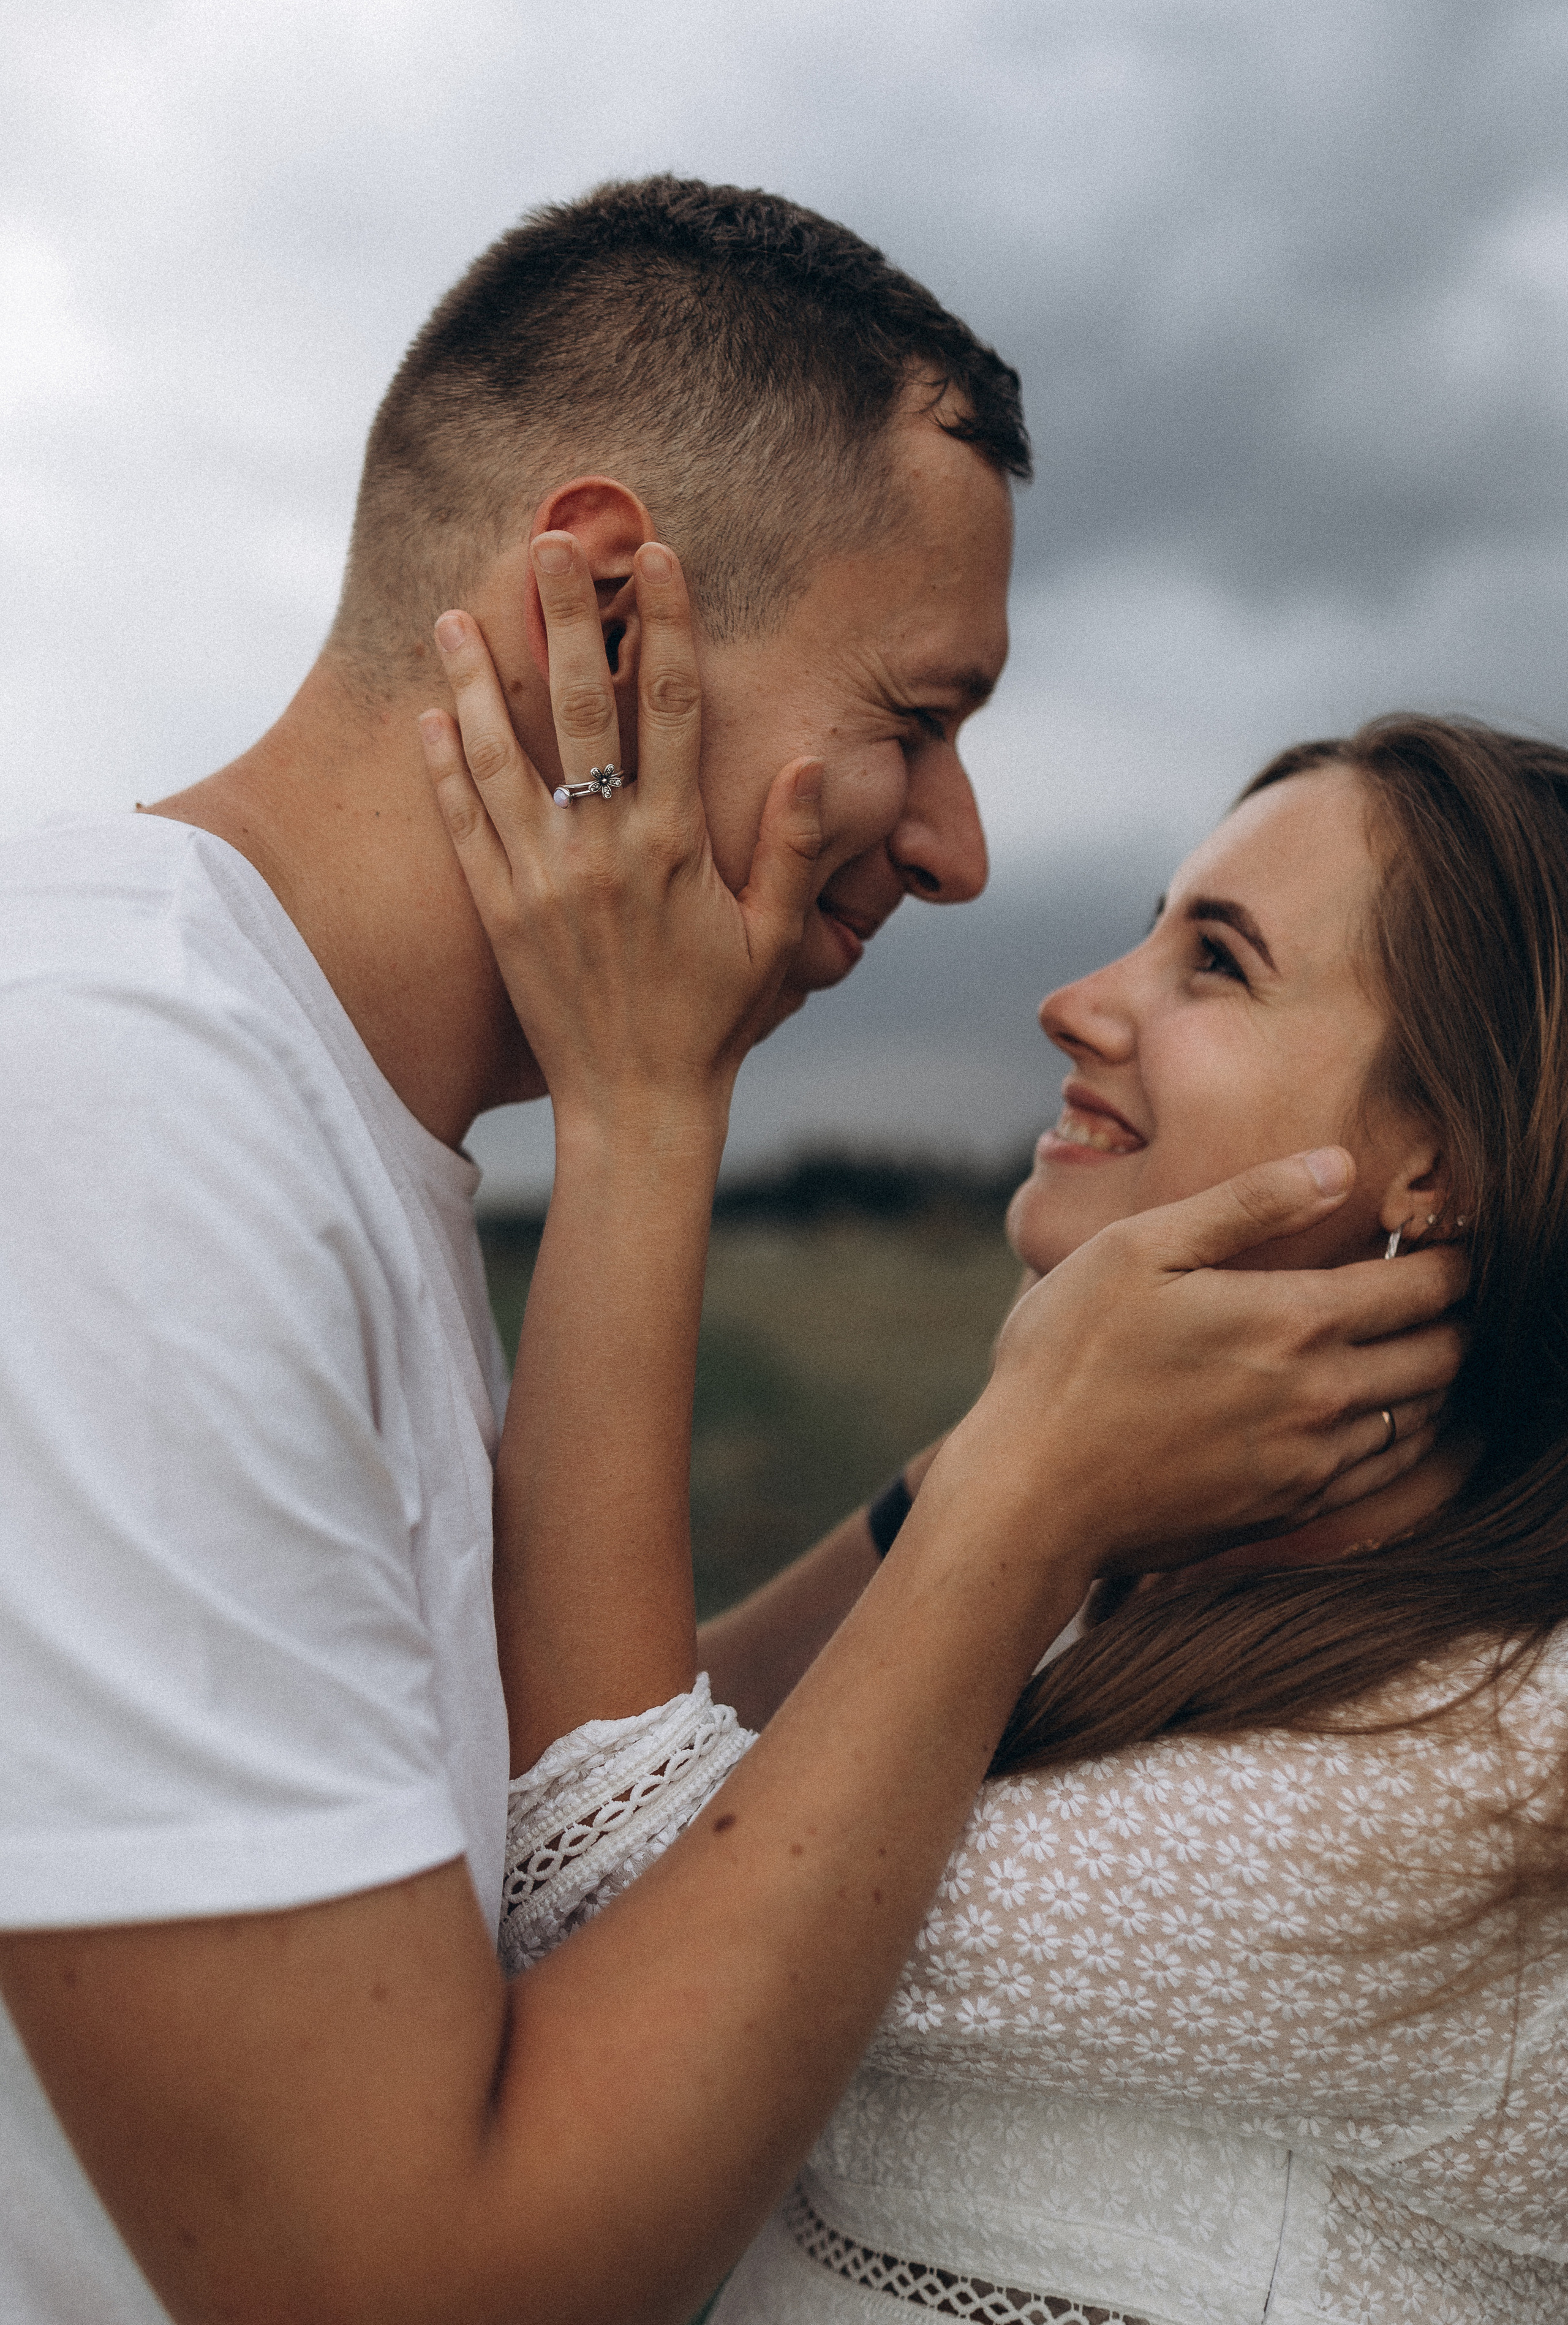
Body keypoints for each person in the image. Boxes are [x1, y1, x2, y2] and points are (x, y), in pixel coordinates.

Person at [0, 178, 1463, 2325]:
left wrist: (1018, 1471)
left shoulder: (281, 1119)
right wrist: (1017, 1504)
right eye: (917, 716)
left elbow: (563, 1790)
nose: (962, 853)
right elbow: (414, 2292)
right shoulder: (126, 1116)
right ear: (603, 612)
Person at [470, 703, 1567, 2324]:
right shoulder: (1126, 1576)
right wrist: (1014, 1463)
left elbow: (607, 1903)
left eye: (1220, 963)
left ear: (1442, 1164)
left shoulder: (1498, 1755)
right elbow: (693, 1717)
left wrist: (642, 1101)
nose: (1075, 1004)